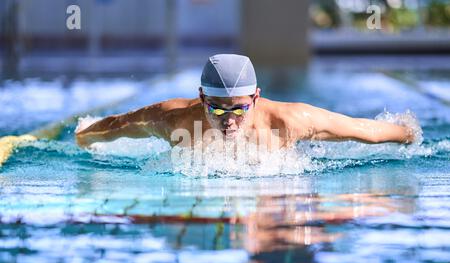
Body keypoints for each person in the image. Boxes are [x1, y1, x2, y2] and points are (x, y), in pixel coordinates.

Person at [76, 54, 415, 150]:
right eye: (217, 108)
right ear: (201, 98)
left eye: (240, 108)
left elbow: (362, 130)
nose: (229, 120)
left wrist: (406, 133)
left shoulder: (290, 121)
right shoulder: (174, 119)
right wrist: (84, 135)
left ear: (257, 97)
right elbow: (118, 124)